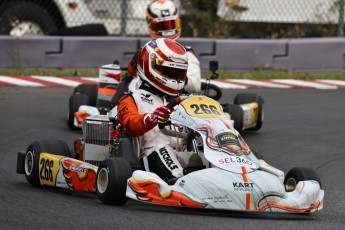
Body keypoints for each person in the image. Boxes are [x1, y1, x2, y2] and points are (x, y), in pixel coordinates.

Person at [117, 38, 188, 181]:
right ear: (149, 66)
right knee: (162, 149)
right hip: (148, 155)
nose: (174, 77)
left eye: (177, 73)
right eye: (168, 71)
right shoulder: (131, 98)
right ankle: (180, 183)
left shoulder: (185, 100)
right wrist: (152, 118)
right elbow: (131, 125)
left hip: (183, 152)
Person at [127, 0, 201, 94]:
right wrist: (135, 62)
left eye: (171, 24)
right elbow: (131, 74)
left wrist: (176, 74)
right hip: (147, 98)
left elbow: (195, 87)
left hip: (174, 102)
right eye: (162, 25)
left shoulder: (186, 54)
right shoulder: (147, 51)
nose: (167, 29)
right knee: (129, 82)